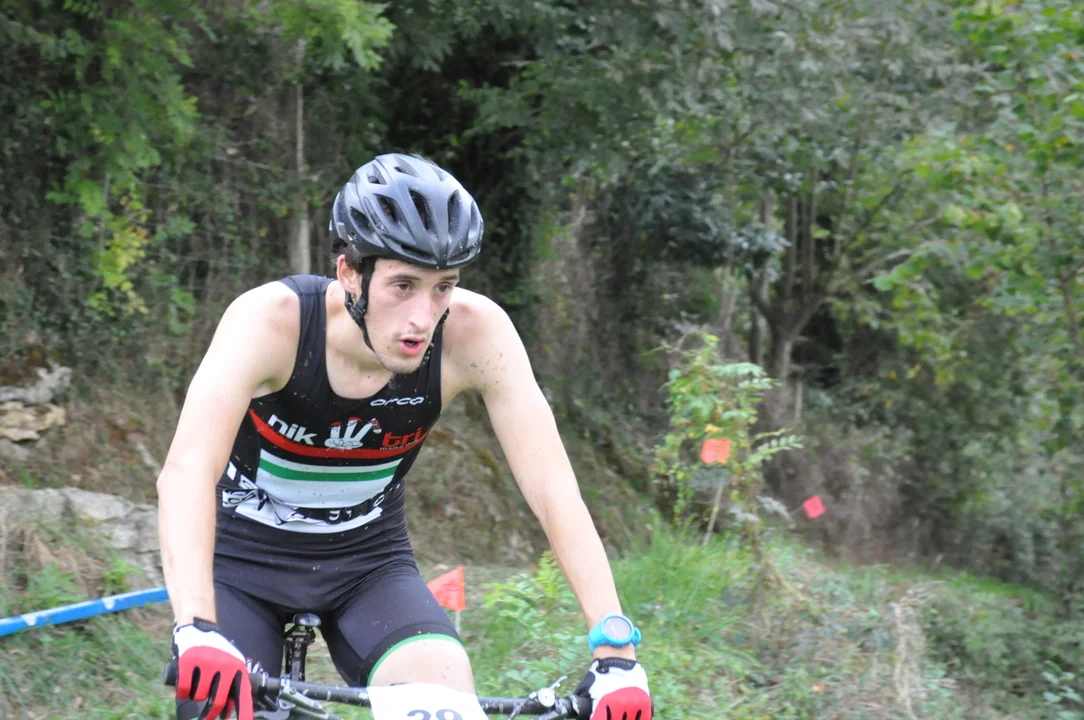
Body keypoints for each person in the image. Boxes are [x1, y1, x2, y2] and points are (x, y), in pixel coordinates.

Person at [156, 153, 653, 720]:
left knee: (445, 696)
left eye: (443, 287)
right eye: (403, 285)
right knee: (220, 707)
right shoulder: (272, 322)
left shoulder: (475, 333)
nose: (423, 316)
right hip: (240, 562)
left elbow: (553, 487)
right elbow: (186, 471)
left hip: (368, 564)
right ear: (349, 274)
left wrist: (616, 652)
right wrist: (196, 625)